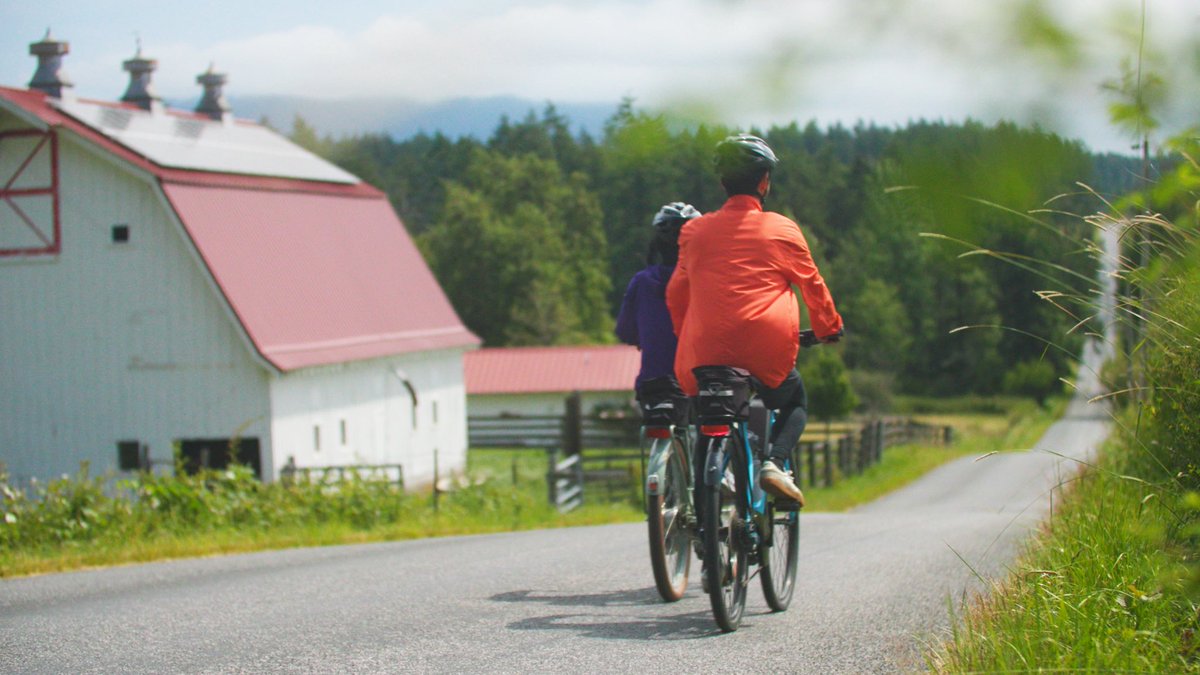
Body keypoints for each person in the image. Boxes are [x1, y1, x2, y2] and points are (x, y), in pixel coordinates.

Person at [667, 133, 843, 506]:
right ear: (764, 181)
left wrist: (686, 336)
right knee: (794, 401)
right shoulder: (782, 229)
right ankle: (775, 464)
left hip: (705, 352)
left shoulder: (693, 232)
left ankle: (704, 516)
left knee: (708, 416)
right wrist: (828, 328)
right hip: (766, 352)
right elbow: (813, 286)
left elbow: (676, 293)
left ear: (722, 183)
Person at [615, 202, 701, 403]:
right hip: (700, 379)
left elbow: (625, 330)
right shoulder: (704, 279)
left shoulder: (642, 281)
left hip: (654, 382)